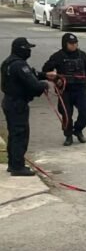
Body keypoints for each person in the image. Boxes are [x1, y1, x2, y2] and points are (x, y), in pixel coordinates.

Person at [1, 38, 52, 176]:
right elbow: (33, 84)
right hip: (17, 104)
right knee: (20, 134)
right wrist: (44, 85)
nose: (29, 51)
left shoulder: (8, 62)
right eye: (27, 48)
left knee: (14, 134)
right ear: (21, 49)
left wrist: (44, 75)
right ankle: (18, 167)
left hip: (9, 102)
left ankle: (13, 164)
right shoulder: (19, 65)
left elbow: (31, 75)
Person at [43, 33, 86, 146]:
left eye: (76, 43)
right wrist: (56, 79)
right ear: (65, 44)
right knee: (66, 113)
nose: (74, 45)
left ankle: (78, 130)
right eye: (71, 44)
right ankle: (68, 135)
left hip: (80, 89)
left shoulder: (82, 55)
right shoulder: (58, 56)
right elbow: (46, 70)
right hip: (65, 90)